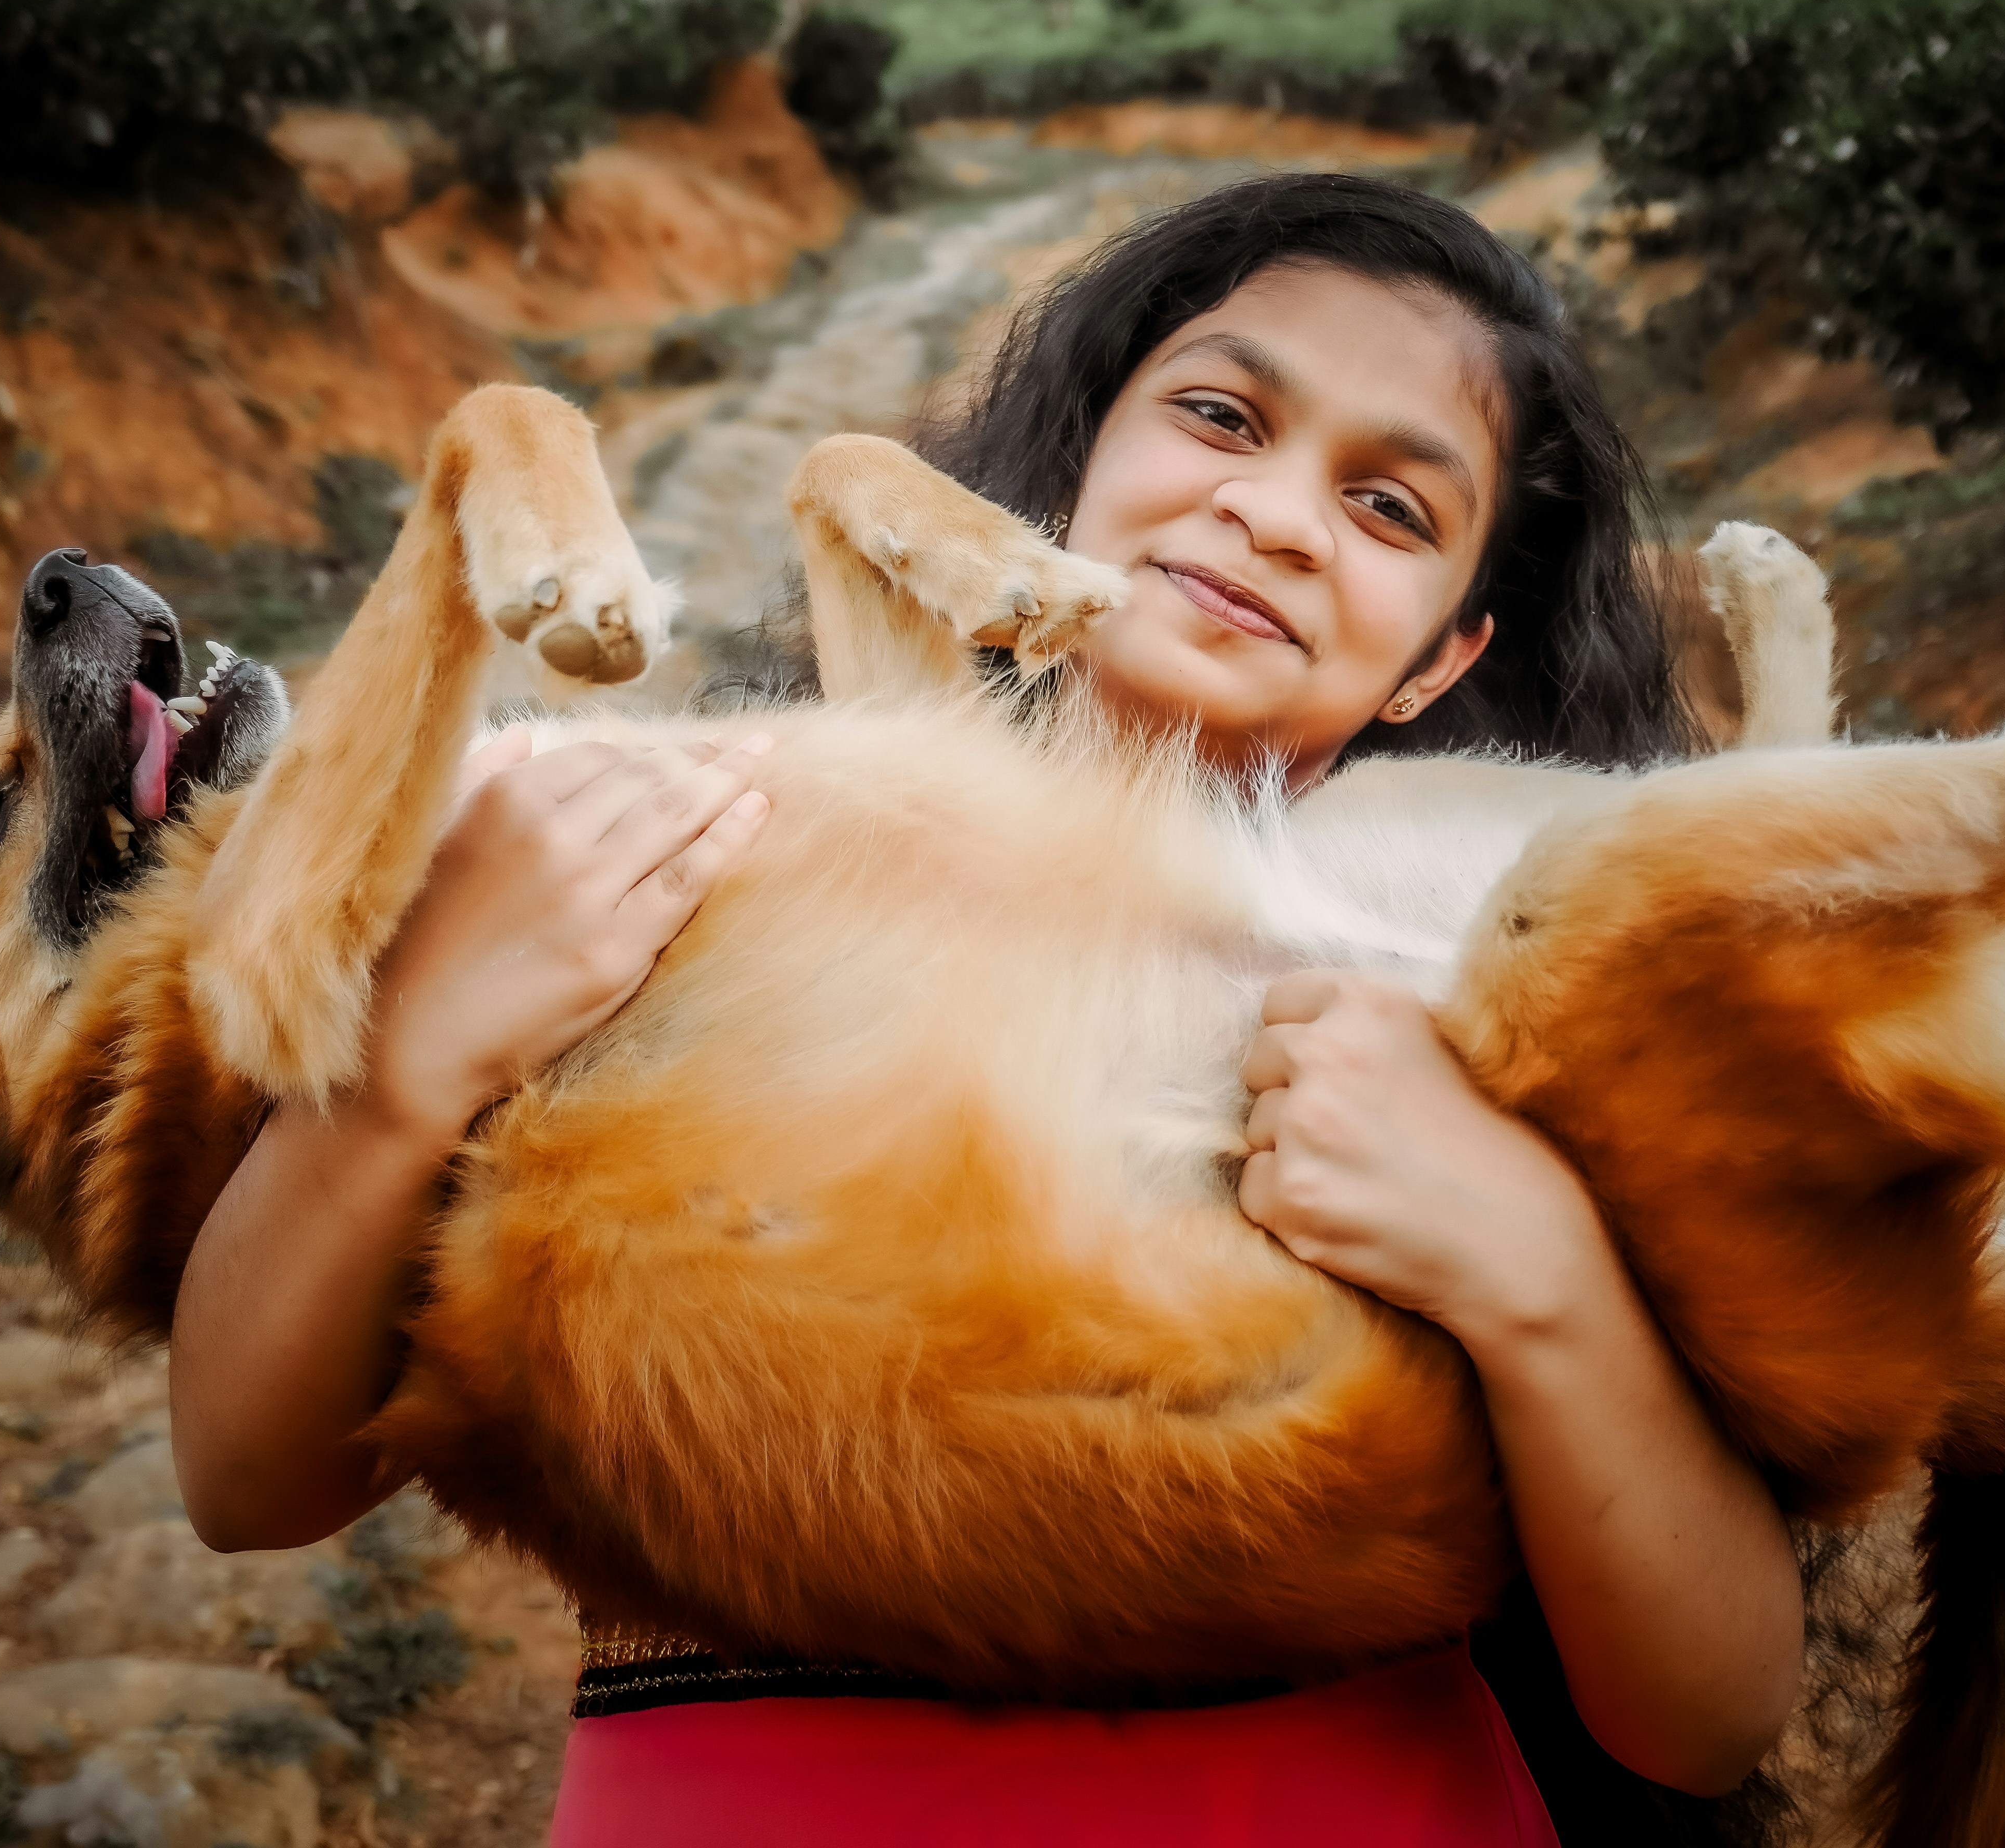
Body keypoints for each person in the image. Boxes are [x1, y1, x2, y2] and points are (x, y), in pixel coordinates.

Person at [168, 172, 1805, 1846]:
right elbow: (247, 1480)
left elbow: (1708, 1721)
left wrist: (1542, 1274)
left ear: (1439, 663)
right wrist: (408, 1064)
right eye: (1223, 416)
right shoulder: (694, 855)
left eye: (1390, 508)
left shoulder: (1506, 995)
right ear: (1085, 459)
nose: (1277, 515)